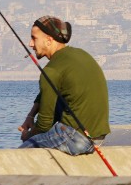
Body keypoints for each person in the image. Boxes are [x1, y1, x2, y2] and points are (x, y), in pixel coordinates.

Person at [18, 16, 110, 154]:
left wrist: (28, 136)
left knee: (22, 151)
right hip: (98, 136)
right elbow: (49, 91)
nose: (30, 44)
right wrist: (31, 116)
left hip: (76, 138)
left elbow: (44, 124)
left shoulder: (51, 70)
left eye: (34, 38)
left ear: (49, 40)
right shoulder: (81, 55)